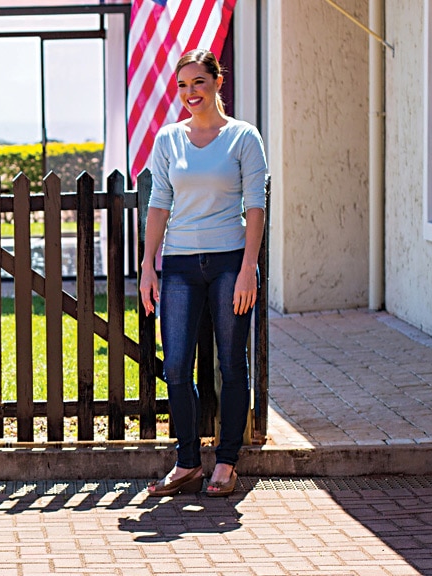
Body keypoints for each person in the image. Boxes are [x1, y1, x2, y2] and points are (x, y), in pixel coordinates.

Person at [136, 49, 268, 498]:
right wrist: (148, 265)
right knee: (175, 366)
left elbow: (256, 205)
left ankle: (226, 462)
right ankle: (188, 462)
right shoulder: (168, 140)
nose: (190, 93)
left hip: (231, 260)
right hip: (179, 265)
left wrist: (249, 268)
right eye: (182, 86)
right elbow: (158, 205)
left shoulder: (243, 137)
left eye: (198, 82)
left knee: (231, 363)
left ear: (217, 81)